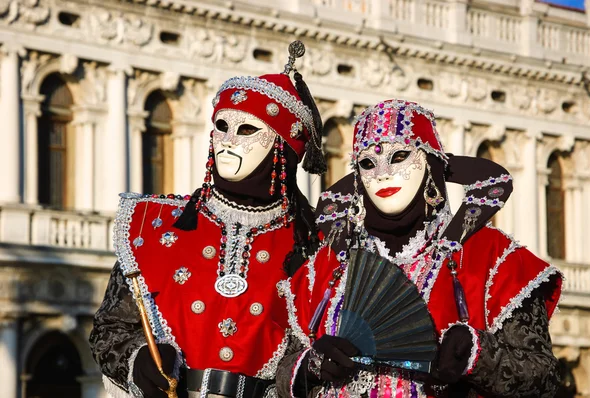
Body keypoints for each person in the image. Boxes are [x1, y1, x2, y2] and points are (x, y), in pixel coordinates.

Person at [277, 99, 562, 398]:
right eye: (367, 164)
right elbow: (282, 371)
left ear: (430, 164)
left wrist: (477, 355)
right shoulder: (329, 265)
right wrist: (309, 366)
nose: (383, 174)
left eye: (399, 156)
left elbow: (543, 378)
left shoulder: (489, 256)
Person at [89, 41, 327, 398]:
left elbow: (310, 349)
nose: (228, 141)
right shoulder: (151, 227)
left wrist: (305, 369)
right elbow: (111, 328)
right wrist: (139, 361)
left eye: (247, 130)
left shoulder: (312, 248)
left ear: (284, 148)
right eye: (221, 126)